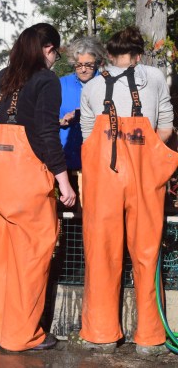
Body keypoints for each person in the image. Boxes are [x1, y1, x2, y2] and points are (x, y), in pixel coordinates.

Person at [72, 26, 177, 356]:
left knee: (101, 252)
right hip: (145, 179)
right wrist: (144, 157)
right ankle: (150, 337)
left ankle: (100, 334)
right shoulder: (155, 76)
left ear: (108, 55)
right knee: (147, 253)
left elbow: (88, 139)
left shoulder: (91, 87)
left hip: (104, 179)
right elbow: (166, 127)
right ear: (139, 54)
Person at [0, 23, 76, 351]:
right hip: (24, 184)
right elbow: (46, 134)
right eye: (57, 53)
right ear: (48, 49)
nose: (56, 60)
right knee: (31, 256)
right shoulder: (46, 80)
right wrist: (64, 181)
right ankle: (21, 336)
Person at [58, 37, 108, 209]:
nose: (84, 69)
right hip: (66, 157)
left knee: (95, 208)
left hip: (98, 158)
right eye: (79, 65)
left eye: (89, 64)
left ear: (98, 63)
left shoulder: (106, 83)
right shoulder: (61, 84)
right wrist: (62, 120)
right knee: (68, 209)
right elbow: (45, 119)